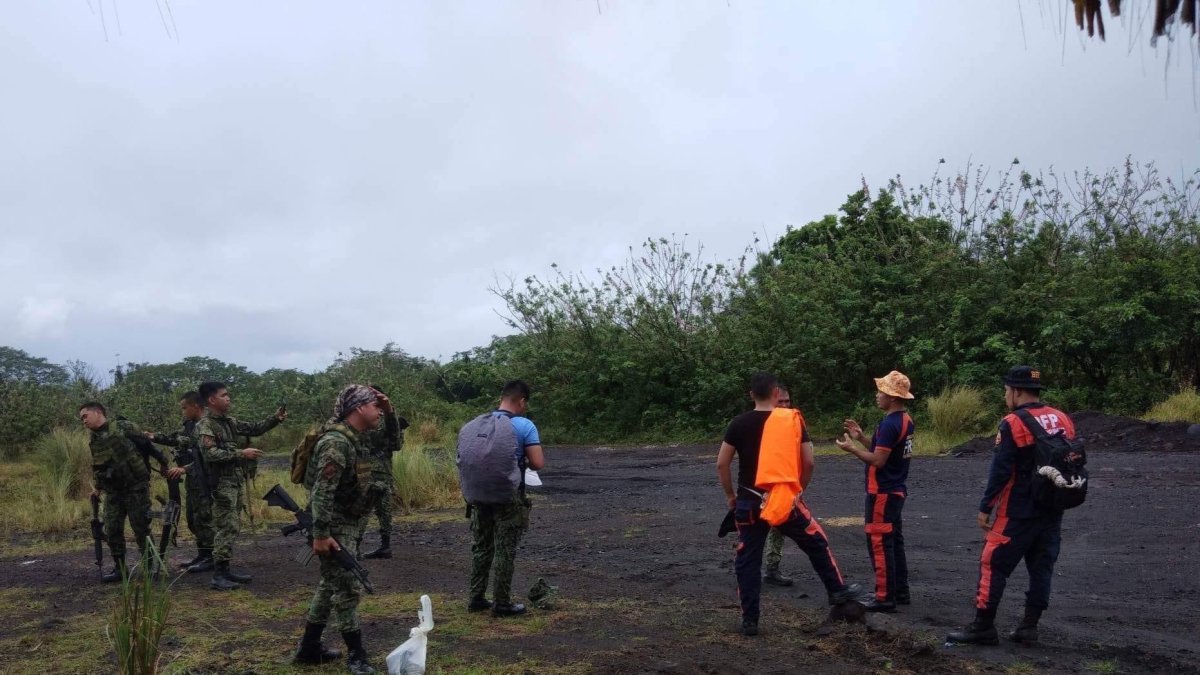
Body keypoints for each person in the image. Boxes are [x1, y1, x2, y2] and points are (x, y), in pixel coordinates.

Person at [717, 372, 862, 636]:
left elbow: (722, 463)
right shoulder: (791, 421)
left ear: (751, 395)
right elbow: (809, 462)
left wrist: (730, 496)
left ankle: (750, 620)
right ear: (776, 394)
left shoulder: (738, 423)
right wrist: (798, 490)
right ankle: (837, 590)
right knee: (815, 541)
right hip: (784, 500)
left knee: (748, 560)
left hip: (748, 500)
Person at [947, 366, 1077, 646]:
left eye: (1006, 390)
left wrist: (985, 507)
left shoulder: (1013, 423)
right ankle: (1029, 627)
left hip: (1017, 510)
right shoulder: (1063, 418)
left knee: (992, 564)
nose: (1005, 395)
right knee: (1042, 568)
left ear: (1017, 391)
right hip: (1053, 508)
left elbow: (1001, 471)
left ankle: (983, 626)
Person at [294, 384, 383, 674]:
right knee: (346, 589)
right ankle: (357, 656)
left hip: (346, 522)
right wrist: (320, 534)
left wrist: (388, 410)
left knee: (328, 586)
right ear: (358, 408)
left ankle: (309, 648)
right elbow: (322, 492)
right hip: (333, 525)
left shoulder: (356, 438)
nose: (379, 409)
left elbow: (391, 437)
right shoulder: (336, 443)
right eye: (374, 404)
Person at [459, 379, 545, 617]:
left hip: (478, 496)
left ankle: (476, 598)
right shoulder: (524, 426)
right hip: (508, 497)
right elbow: (537, 463)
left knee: (482, 547)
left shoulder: (475, 424)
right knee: (505, 549)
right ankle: (502, 603)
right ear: (522, 401)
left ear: (502, 397)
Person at [195, 380, 286, 591]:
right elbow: (210, 454)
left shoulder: (229, 421)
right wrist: (240, 454)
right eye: (224, 395)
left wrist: (275, 419)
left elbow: (254, 429)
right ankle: (218, 575)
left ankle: (225, 570)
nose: (228, 399)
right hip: (220, 484)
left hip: (232, 481)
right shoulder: (206, 425)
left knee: (232, 525)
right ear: (212, 400)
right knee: (227, 527)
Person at [836, 370, 915, 613]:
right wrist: (861, 439)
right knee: (894, 541)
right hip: (895, 490)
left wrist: (852, 450)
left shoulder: (891, 423)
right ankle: (899, 590)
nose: (877, 395)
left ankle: (883, 597)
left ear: (892, 396)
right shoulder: (904, 420)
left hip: (882, 491)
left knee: (879, 542)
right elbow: (884, 451)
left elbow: (879, 461)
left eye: (881, 391)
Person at [79, 402, 157, 582]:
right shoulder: (95, 439)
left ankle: (150, 567)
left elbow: (146, 447)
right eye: (82, 418)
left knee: (141, 528)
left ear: (98, 412)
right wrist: (98, 488)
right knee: (112, 529)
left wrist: (159, 464)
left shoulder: (123, 426)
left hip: (136, 488)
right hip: (113, 491)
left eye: (85, 416)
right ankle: (120, 569)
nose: (84, 421)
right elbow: (99, 465)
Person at [146, 391, 212, 572]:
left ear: (196, 406)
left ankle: (211, 557)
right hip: (193, 480)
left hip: (206, 481)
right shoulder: (190, 426)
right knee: (193, 519)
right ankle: (203, 554)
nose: (183, 411)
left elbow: (207, 459)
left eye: (185, 407)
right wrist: (154, 436)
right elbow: (178, 439)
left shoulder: (208, 426)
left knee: (204, 518)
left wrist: (184, 469)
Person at [763, 386, 807, 588]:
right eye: (780, 401)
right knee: (759, 529)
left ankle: (771, 568)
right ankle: (751, 568)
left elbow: (805, 456)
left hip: (785, 485)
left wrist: (798, 488)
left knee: (777, 528)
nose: (784, 405)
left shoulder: (793, 423)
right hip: (764, 485)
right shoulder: (763, 423)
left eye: (787, 401)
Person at [357, 387, 406, 560]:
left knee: (365, 510)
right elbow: (397, 444)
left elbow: (396, 444)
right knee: (381, 510)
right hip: (379, 471)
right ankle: (384, 545)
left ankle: (357, 546)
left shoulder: (374, 420)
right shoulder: (385, 420)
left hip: (371, 471)